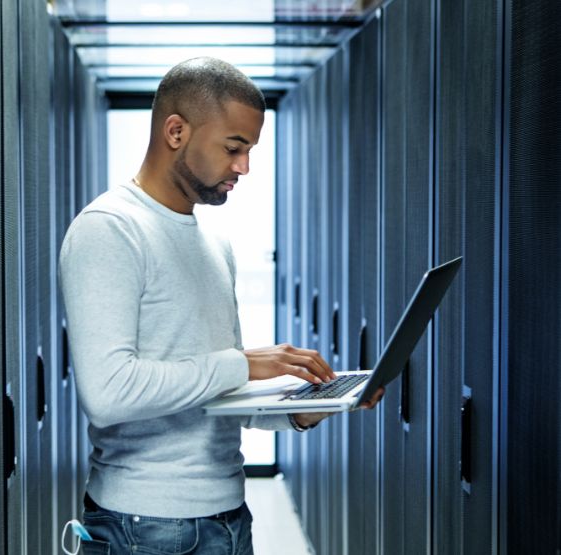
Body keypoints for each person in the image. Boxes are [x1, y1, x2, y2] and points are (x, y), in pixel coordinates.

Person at [59, 57, 384, 555]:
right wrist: (243, 363)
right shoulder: (109, 229)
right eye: (234, 148)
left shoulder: (213, 241)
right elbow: (108, 392)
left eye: (250, 150)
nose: (244, 167)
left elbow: (219, 397)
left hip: (228, 518)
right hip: (145, 526)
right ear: (175, 131)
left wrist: (307, 410)